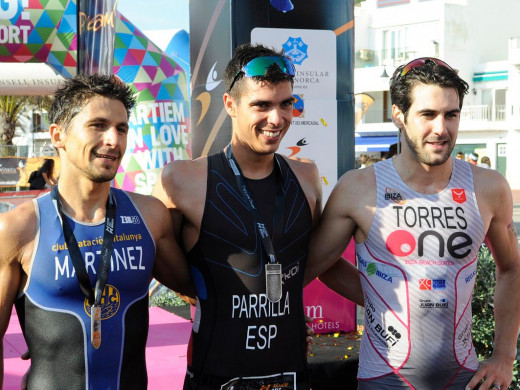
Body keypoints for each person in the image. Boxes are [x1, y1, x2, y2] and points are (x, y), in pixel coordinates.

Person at [305, 57, 520, 389]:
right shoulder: (358, 189)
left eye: (451, 114)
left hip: (464, 376)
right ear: (399, 116)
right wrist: (384, 297)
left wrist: (504, 357)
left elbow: (512, 269)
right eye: (427, 115)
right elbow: (316, 264)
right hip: (385, 378)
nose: (441, 128)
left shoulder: (489, 187)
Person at [0, 74, 193, 389]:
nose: (113, 141)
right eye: (98, 125)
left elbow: (201, 291)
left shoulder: (150, 216)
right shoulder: (19, 227)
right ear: (58, 135)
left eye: (121, 128)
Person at [153, 43, 325, 390]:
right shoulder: (182, 180)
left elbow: (316, 258)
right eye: (261, 105)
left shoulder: (306, 177)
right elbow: (160, 262)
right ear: (230, 104)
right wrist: (212, 295)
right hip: (216, 374)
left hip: (292, 373)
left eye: (285, 104)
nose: (276, 119)